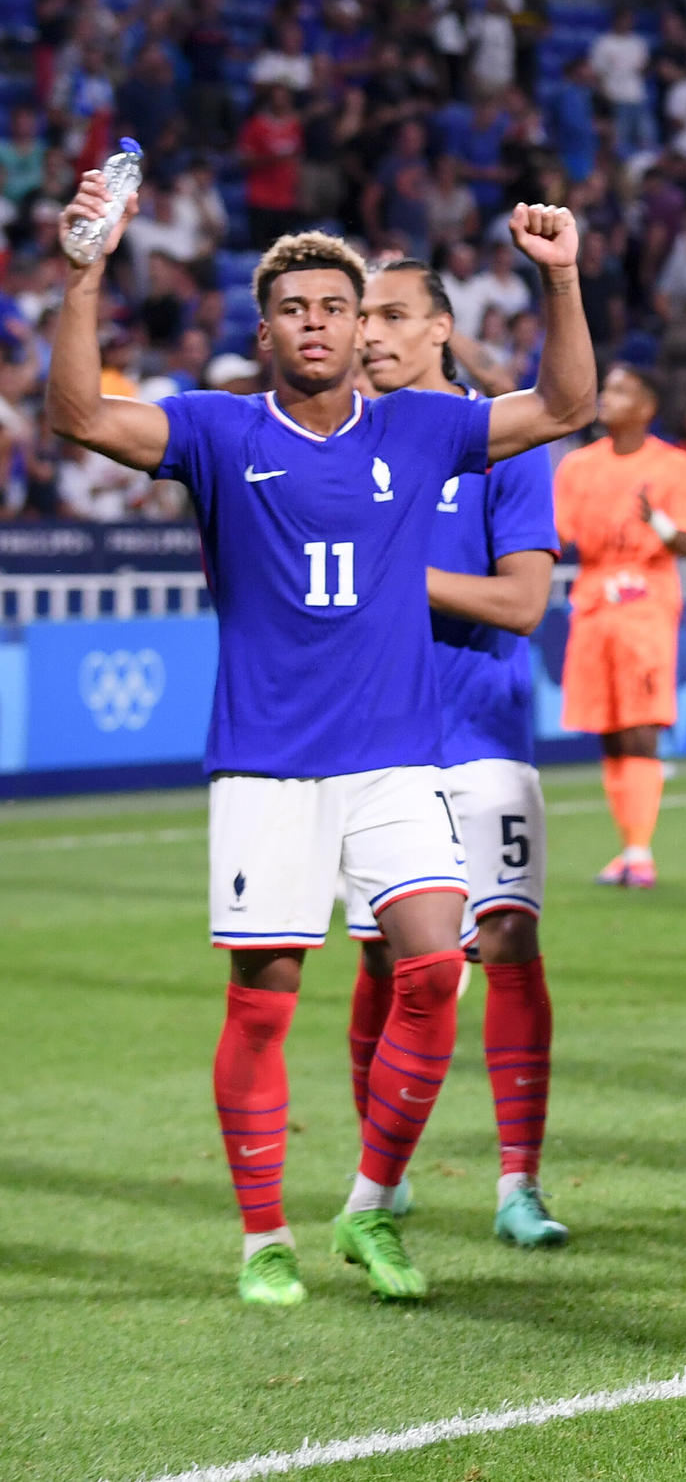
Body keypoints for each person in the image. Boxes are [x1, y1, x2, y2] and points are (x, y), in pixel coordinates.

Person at [45, 184, 593, 1305]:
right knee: (265, 995)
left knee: (437, 964)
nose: (315, 322)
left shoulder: (421, 426)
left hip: (395, 759)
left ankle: (367, 1207)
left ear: (360, 327)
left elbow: (566, 401)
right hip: (266, 762)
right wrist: (86, 273)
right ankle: (262, 1240)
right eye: (292, 307)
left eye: (336, 307)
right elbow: (84, 418)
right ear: (265, 331)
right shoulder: (215, 428)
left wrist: (562, 276)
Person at [346, 261, 570, 1251]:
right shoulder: (336, 446)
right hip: (373, 746)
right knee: (386, 965)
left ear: (442, 327)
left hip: (482, 737)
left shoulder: (503, 445)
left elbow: (522, 602)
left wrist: (398, 574)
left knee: (509, 944)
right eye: (360, 317)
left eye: (392, 315)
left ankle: (518, 1184)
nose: (369, 334)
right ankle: (379, 1179)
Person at [553, 365, 686, 889]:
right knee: (611, 731)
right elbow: (558, 536)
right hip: (594, 606)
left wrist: (655, 521)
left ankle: (641, 852)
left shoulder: (675, 466)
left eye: (621, 390)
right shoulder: (576, 467)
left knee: (640, 726)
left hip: (646, 605)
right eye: (607, 388)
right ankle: (629, 847)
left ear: (647, 407)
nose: (607, 398)